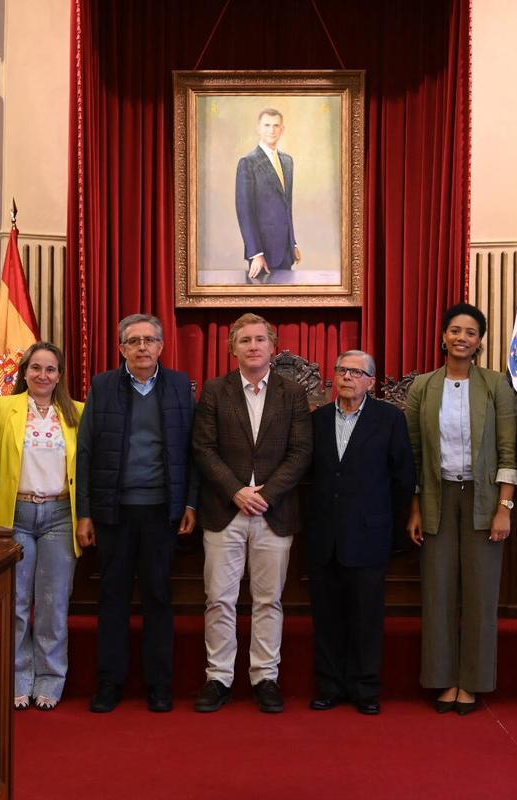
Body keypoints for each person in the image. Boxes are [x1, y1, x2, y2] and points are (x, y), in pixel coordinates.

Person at [76, 314, 199, 714]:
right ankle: (110, 683)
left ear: (162, 347)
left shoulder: (180, 386)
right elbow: (88, 451)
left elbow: (192, 453)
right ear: (121, 348)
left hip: (162, 512)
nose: (143, 347)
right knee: (112, 598)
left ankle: (159, 685)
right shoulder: (104, 385)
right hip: (114, 512)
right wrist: (86, 513)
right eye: (134, 341)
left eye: (150, 340)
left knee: (158, 598)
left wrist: (191, 503)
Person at [192, 313, 312, 713]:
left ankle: (265, 677)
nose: (254, 346)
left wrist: (267, 495)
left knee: (268, 600)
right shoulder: (214, 391)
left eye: (260, 339)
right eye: (245, 341)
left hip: (273, 514)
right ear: (233, 349)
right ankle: (218, 677)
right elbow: (204, 448)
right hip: (225, 511)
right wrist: (236, 491)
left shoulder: (292, 393)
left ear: (272, 346)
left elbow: (301, 452)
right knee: (219, 600)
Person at [406, 303, 517, 715]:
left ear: (479, 342)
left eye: (470, 332)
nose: (462, 338)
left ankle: (472, 682)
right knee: (437, 592)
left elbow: (509, 449)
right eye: (455, 330)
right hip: (436, 498)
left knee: (480, 593)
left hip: (484, 500)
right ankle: (441, 680)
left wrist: (504, 506)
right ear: (443, 337)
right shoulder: (423, 386)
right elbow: (414, 454)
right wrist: (415, 507)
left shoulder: (495, 386)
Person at [307, 350, 415, 715]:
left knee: (367, 616)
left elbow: (403, 478)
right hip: (324, 535)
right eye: (341, 370)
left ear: (371, 381)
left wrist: (382, 516)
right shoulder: (317, 420)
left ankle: (365, 687)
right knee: (327, 616)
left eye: (356, 372)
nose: (347, 377)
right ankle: (329, 686)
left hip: (369, 533)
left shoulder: (389, 420)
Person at [0, 342, 83, 712]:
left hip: (60, 516)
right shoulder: (2, 409)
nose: (43, 375)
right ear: (24, 371)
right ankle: (17, 678)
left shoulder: (77, 413)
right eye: (36, 368)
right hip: (16, 516)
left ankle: (50, 679)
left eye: (51, 369)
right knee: (16, 603)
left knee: (53, 605)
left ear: (60, 375)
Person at [235, 108, 301, 285]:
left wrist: (292, 243)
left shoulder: (287, 161)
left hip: (286, 251)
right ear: (259, 128)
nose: (271, 130)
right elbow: (245, 212)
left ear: (282, 129)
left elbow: (287, 206)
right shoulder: (248, 163)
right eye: (267, 125)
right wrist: (255, 253)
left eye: (276, 125)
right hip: (262, 252)